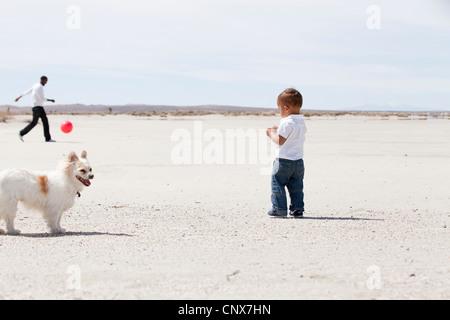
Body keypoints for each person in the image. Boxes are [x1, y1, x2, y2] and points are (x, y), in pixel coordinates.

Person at [266, 88, 307, 218]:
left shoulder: (286, 122)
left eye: (280, 110)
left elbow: (280, 140)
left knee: (277, 183)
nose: (280, 113)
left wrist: (271, 134)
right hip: (298, 162)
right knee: (296, 187)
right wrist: (280, 130)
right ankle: (297, 209)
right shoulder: (301, 121)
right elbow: (292, 135)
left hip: (283, 161)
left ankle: (279, 209)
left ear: (286, 108)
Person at [15, 76, 56, 142]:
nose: (46, 83)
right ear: (42, 80)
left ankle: (48, 139)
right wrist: (50, 100)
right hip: (37, 107)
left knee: (45, 122)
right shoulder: (39, 87)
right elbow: (41, 99)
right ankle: (21, 133)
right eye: (45, 81)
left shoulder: (35, 85)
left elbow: (27, 92)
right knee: (34, 122)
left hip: (39, 106)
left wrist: (19, 97)